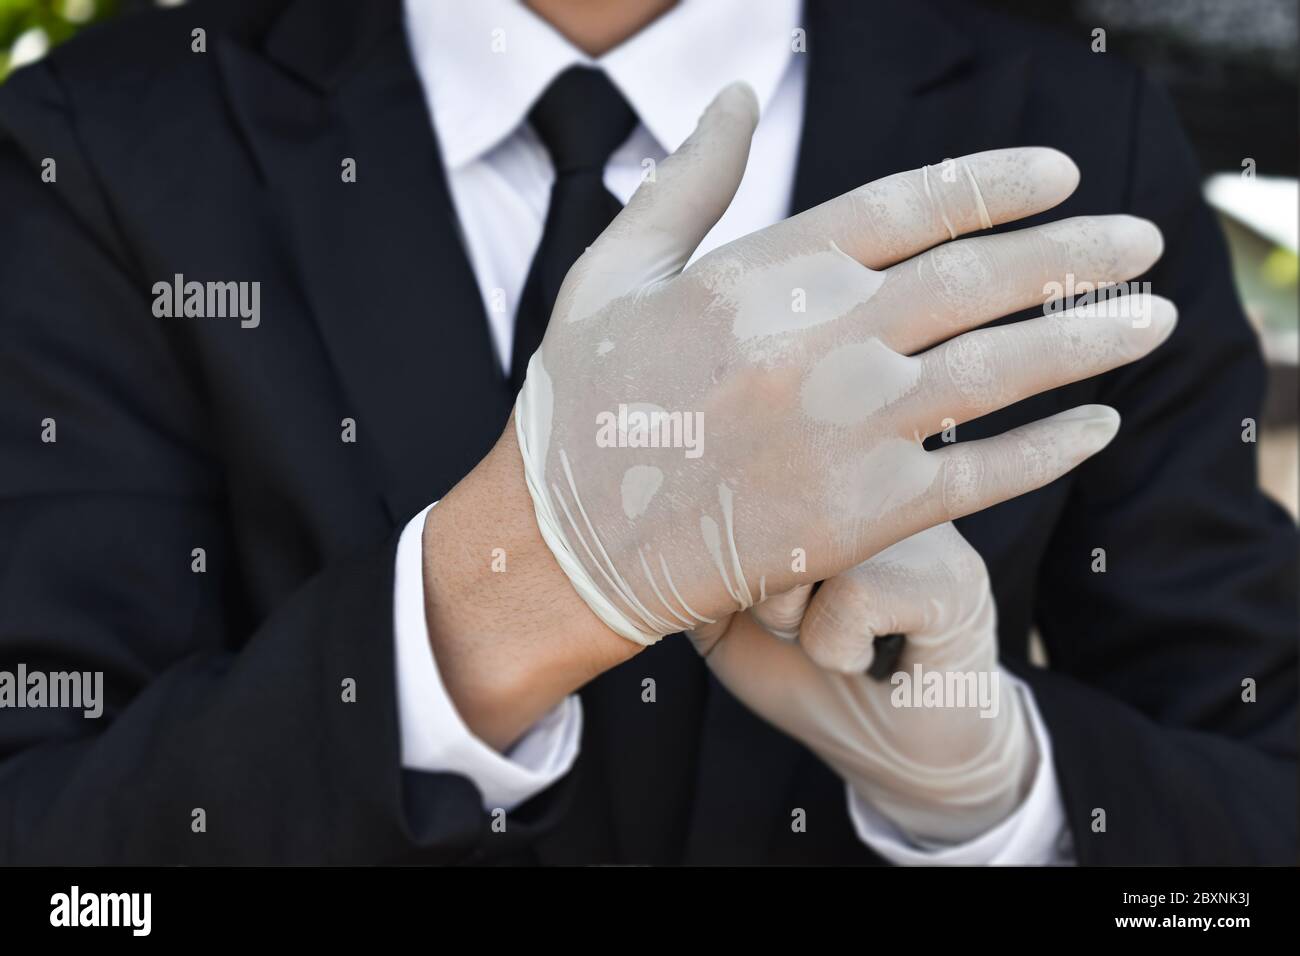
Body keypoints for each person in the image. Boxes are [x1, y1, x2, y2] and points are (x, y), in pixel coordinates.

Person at [0, 0, 1292, 865]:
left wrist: (1000, 796)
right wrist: (504, 604)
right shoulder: (104, 135)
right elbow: (44, 822)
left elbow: (1258, 774)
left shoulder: (1072, 118)